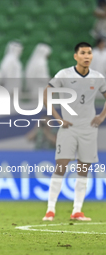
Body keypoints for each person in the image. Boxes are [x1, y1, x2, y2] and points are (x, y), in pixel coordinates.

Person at [42, 42, 106, 221]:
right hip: (68, 128)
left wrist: (101, 116)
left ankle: (77, 210)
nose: (87, 56)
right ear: (75, 56)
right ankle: (50, 209)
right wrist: (57, 117)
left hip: (89, 129)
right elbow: (46, 94)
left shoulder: (98, 77)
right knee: (61, 166)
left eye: (89, 53)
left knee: (83, 169)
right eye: (83, 53)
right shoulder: (64, 74)